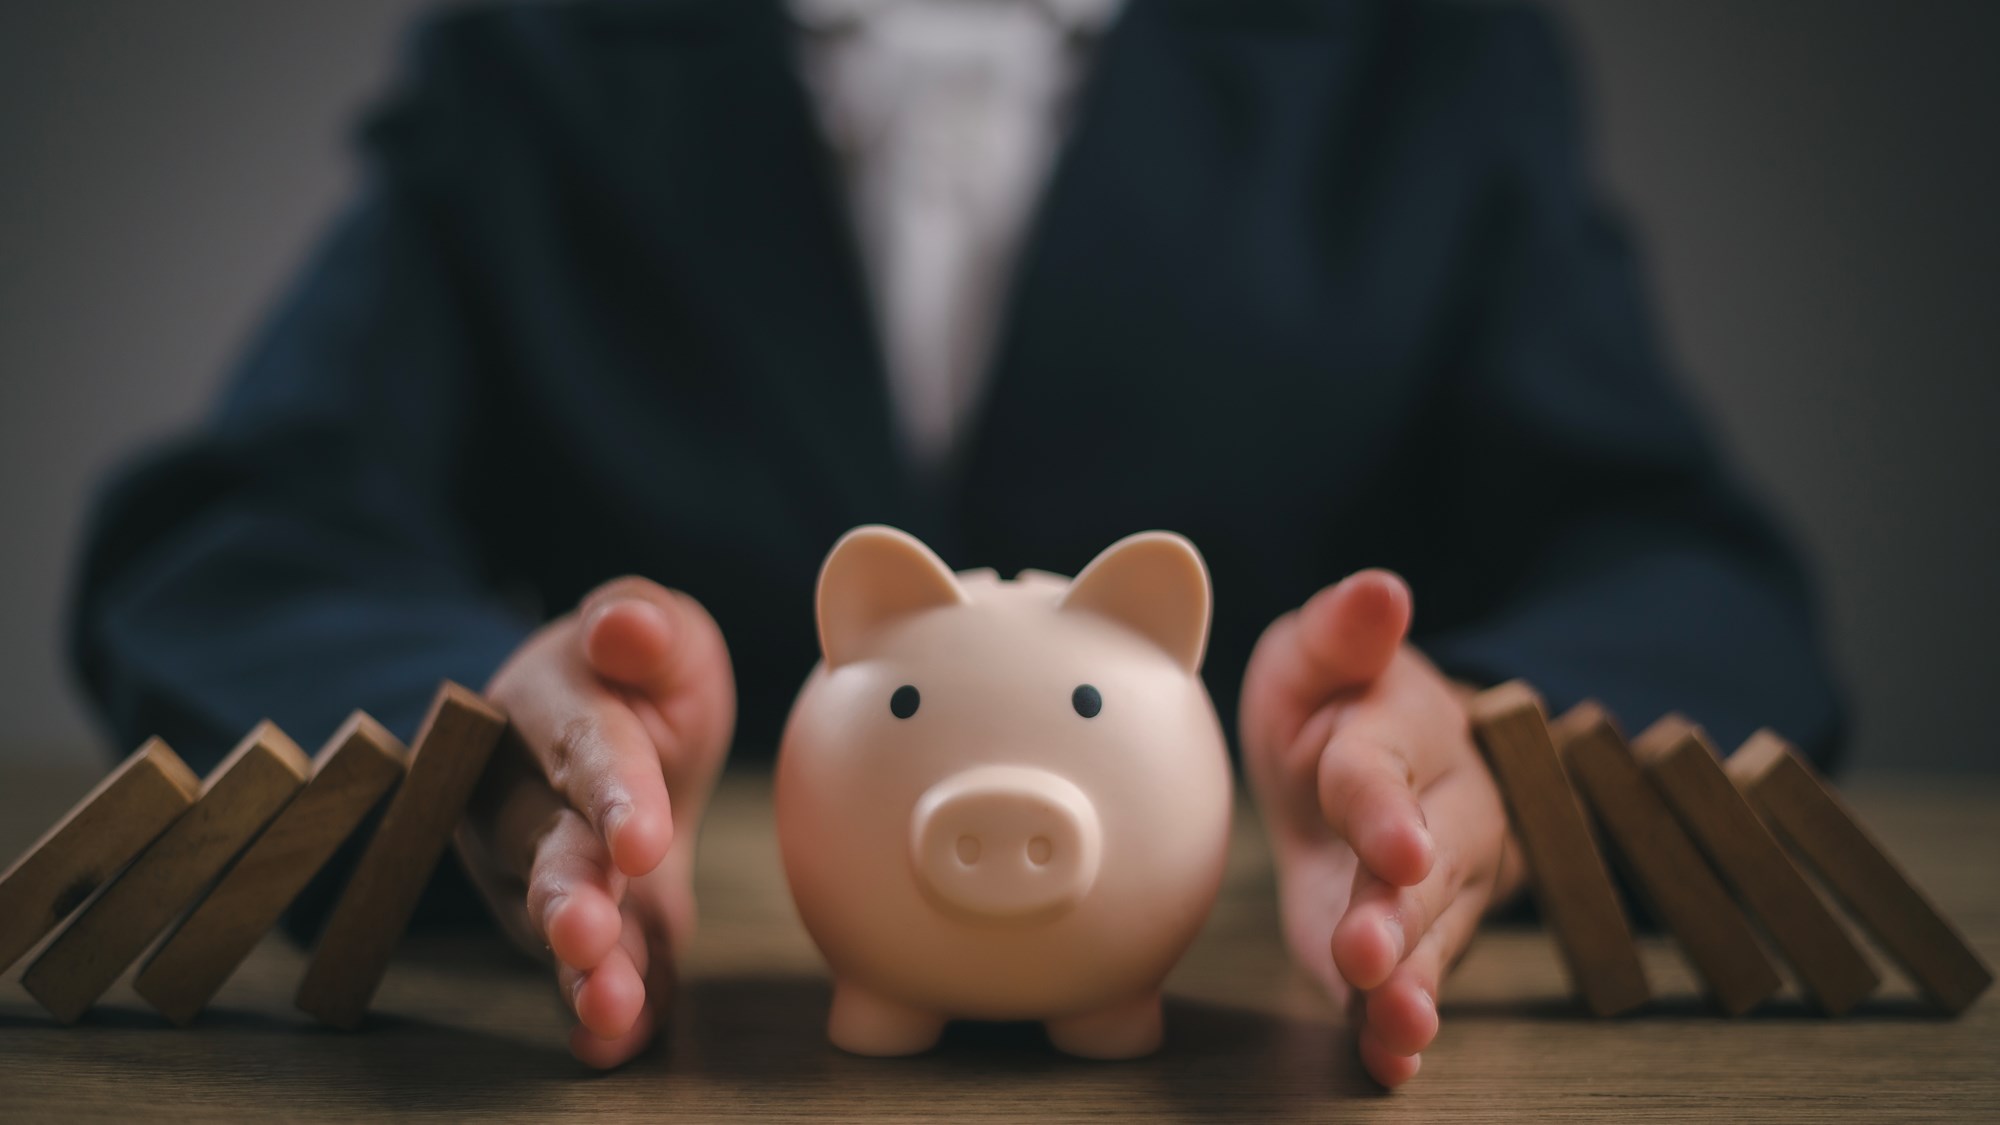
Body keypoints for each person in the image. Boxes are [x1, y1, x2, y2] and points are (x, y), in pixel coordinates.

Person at [67, 0, 1841, 1087]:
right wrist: (498, 728)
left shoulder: (1432, 61)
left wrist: (1473, 764)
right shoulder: (530, 65)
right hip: (693, 997)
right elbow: (239, 536)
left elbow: (1695, 577)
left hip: (1250, 958)